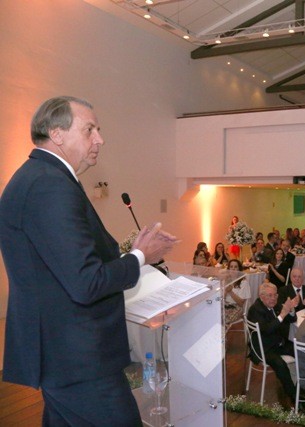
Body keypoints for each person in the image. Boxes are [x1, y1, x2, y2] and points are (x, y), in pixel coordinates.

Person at [0, 96, 179, 425]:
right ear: (57, 134)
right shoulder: (50, 185)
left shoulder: (39, 176)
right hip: (80, 359)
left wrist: (133, 253)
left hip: (62, 354)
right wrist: (141, 257)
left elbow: (66, 265)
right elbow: (86, 282)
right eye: (89, 130)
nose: (100, 139)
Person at [247, 283, 300, 405]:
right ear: (262, 297)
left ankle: (301, 388)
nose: (273, 298)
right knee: (280, 365)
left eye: (275, 295)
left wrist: (291, 309)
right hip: (263, 348)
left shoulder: (274, 304)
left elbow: (292, 319)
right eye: (270, 295)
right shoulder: (255, 310)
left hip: (277, 343)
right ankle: (294, 397)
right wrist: (282, 315)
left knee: (300, 351)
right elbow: (267, 330)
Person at [224, 259, 251, 330]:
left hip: (236, 307)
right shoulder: (226, 281)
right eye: (231, 267)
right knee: (215, 316)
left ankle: (224, 335)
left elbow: (241, 303)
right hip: (225, 305)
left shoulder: (244, 282)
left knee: (224, 319)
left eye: (235, 267)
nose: (233, 269)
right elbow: (221, 298)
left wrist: (230, 292)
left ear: (239, 269)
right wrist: (225, 291)